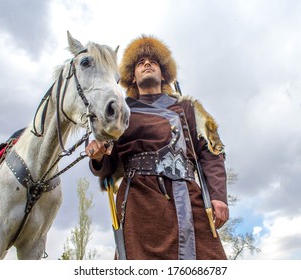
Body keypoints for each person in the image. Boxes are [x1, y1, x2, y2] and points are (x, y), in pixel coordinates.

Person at [85, 35, 228, 260]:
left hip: (188, 200)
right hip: (139, 202)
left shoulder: (188, 109)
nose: (147, 64)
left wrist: (218, 196)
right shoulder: (119, 111)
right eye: (140, 63)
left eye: (153, 62)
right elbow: (108, 168)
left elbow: (211, 153)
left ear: (164, 73)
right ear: (132, 77)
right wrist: (99, 157)